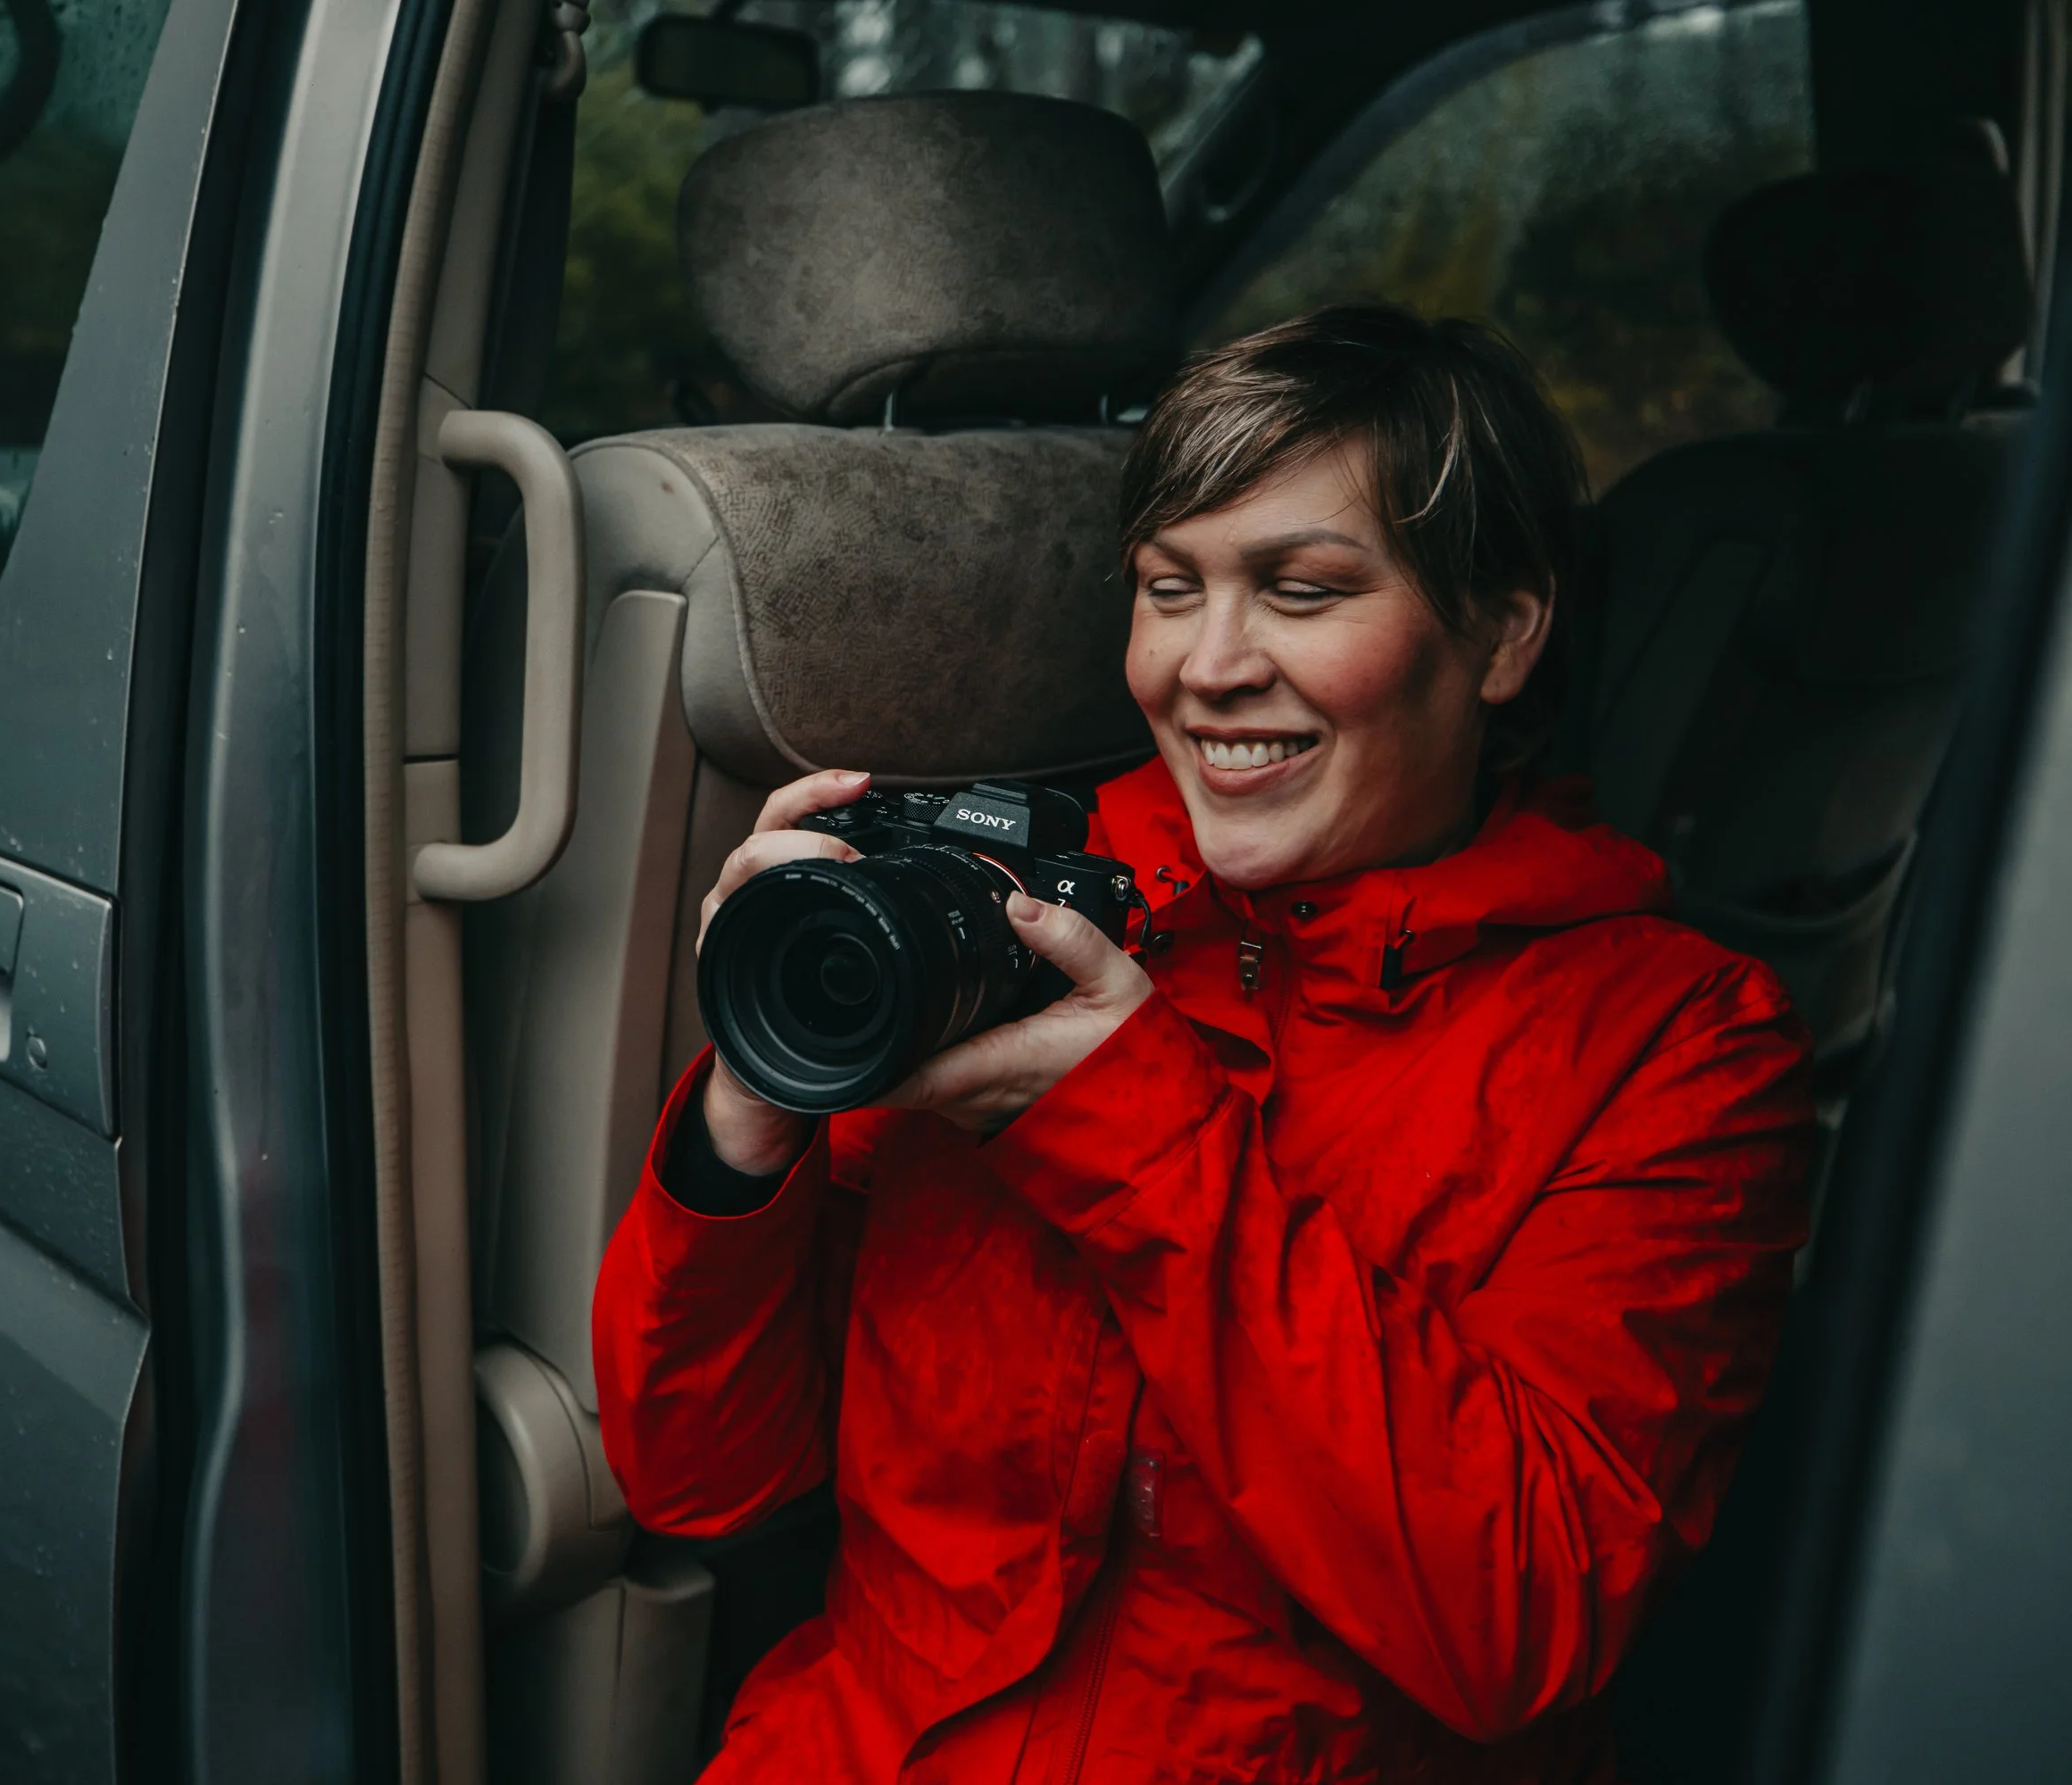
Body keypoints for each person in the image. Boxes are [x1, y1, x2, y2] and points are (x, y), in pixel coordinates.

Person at [592, 302, 1813, 1782]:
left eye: (1300, 591)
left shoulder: (1674, 1045)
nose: (1207, 667)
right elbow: (703, 1482)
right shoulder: (1021, 910)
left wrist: (1130, 1127)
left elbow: (1516, 1623)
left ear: (1501, 633)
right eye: (1170, 589)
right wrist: (757, 1102)